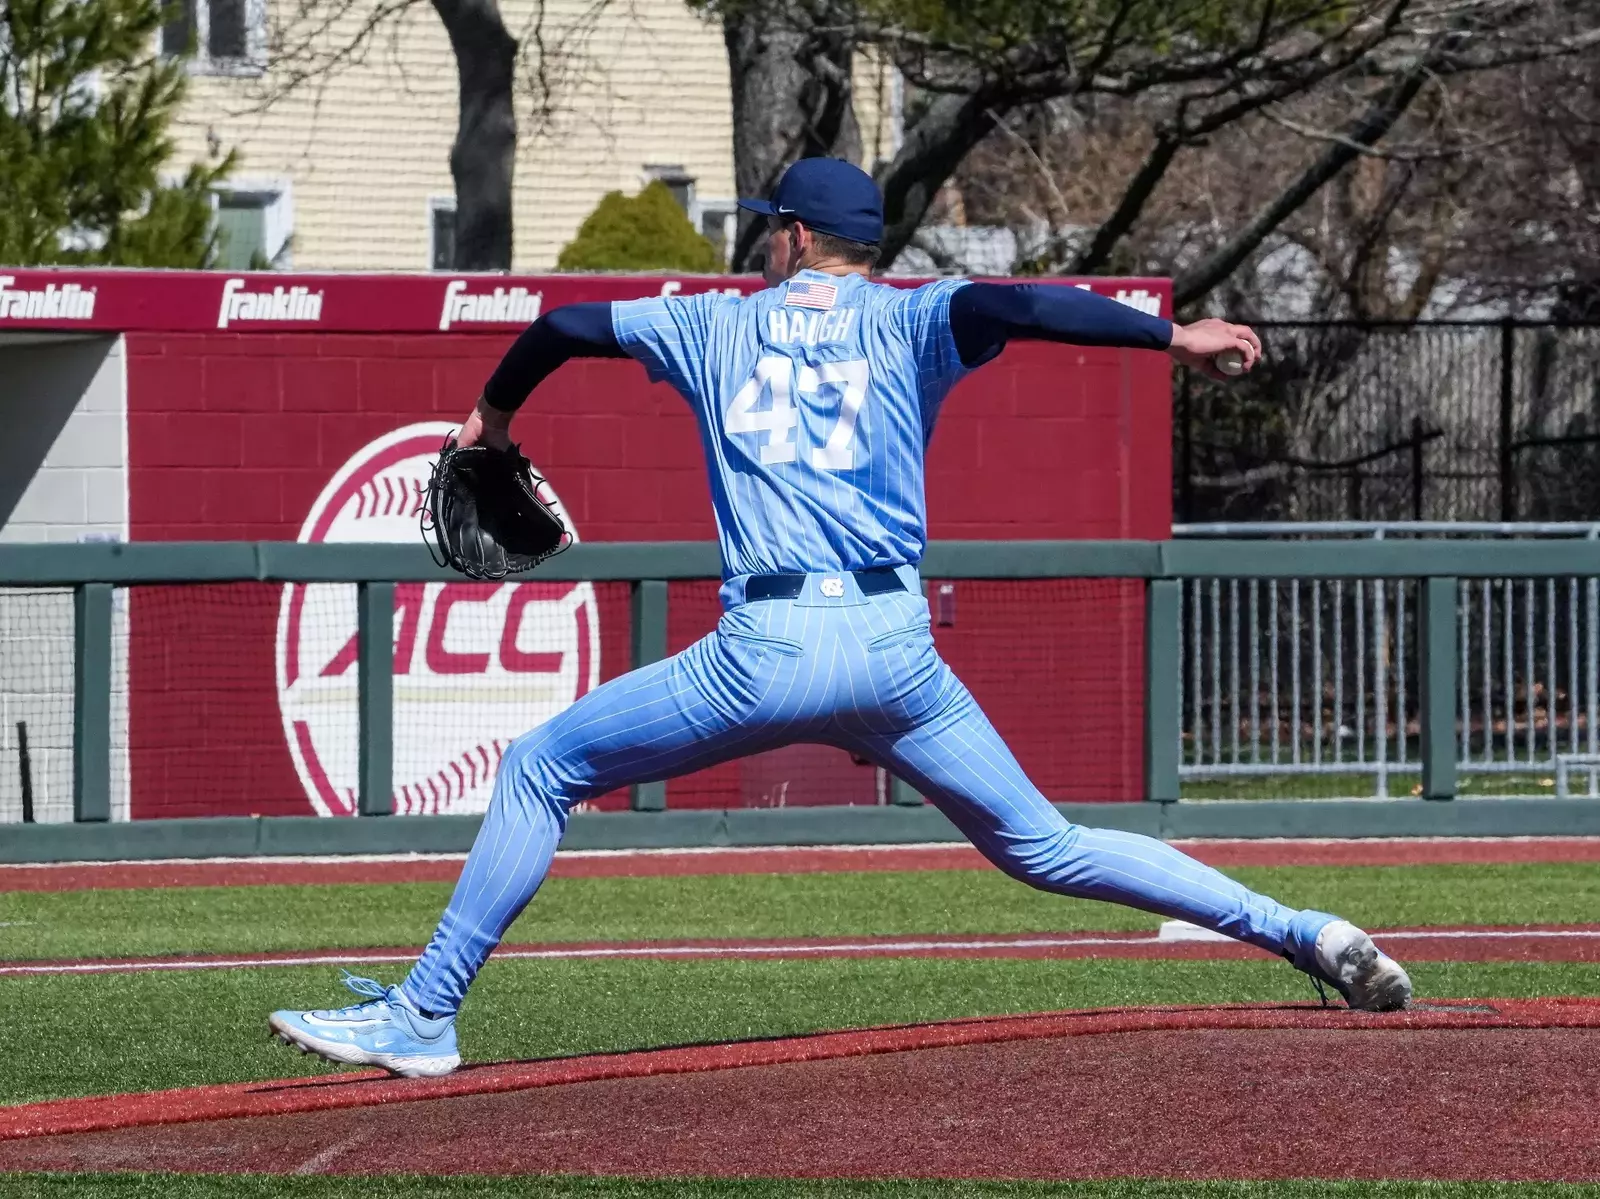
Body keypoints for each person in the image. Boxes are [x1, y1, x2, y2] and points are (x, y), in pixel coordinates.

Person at [269, 158, 1411, 1077]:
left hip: (762, 652)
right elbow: (1027, 302)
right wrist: (1175, 336)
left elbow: (565, 326)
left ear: (798, 237)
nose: (770, 240)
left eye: (776, 226)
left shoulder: (711, 325)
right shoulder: (916, 319)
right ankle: (1303, 929)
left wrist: (490, 424)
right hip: (893, 651)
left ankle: (424, 1014)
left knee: (536, 768)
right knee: (1048, 845)